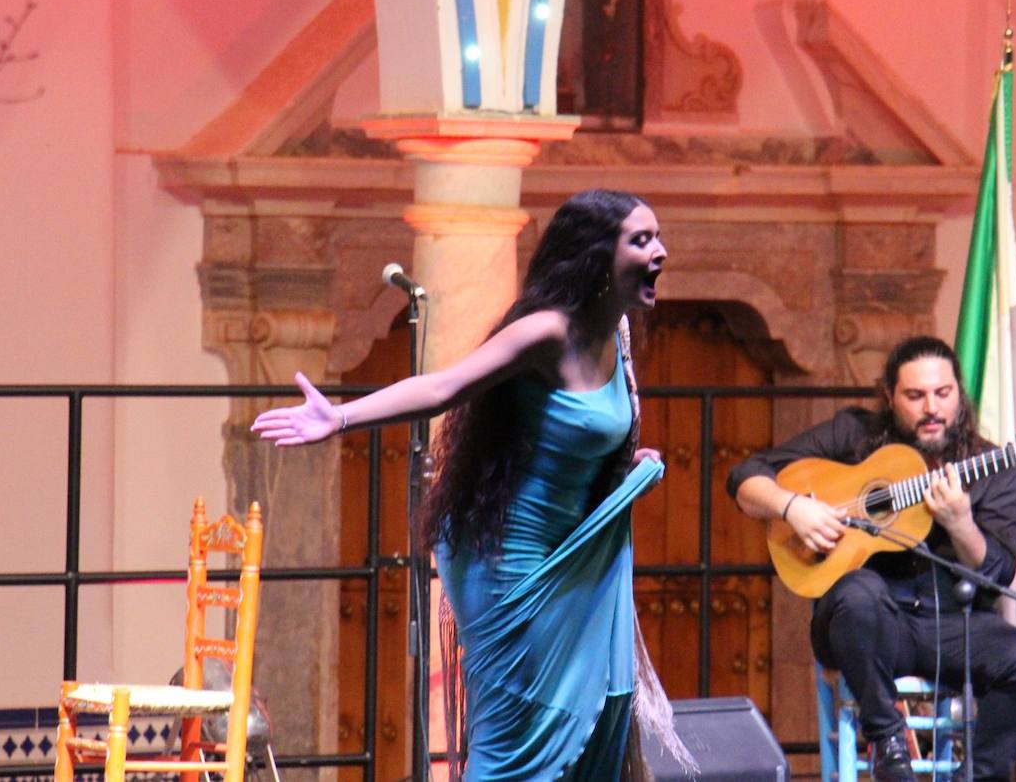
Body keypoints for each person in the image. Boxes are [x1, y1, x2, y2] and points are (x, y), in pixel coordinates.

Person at [251, 189, 692, 781]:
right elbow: (443, 388)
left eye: (658, 237)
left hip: (572, 563)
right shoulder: (545, 332)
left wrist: (624, 465)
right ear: (595, 254)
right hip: (508, 562)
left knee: (597, 717)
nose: (660, 251)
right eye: (641, 240)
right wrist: (340, 416)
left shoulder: (618, 337)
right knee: (519, 741)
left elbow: (582, 442)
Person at [727, 336, 1016, 782]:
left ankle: (975, 777)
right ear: (889, 397)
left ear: (959, 393)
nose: (932, 408)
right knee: (860, 593)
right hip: (866, 628)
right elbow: (745, 477)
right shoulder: (853, 435)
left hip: (952, 624)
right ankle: (888, 747)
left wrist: (961, 524)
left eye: (943, 393)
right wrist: (792, 507)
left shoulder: (992, 464)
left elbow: (997, 571)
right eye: (915, 396)